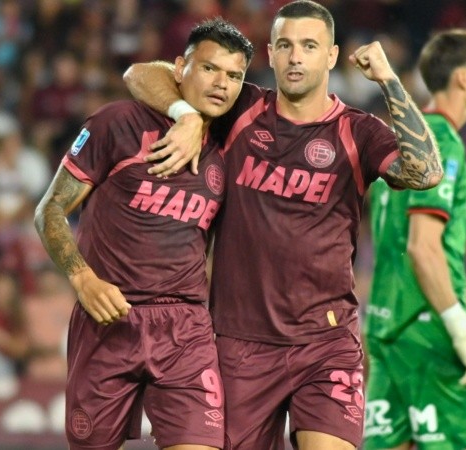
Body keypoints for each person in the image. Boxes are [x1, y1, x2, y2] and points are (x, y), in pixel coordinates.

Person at [123, 2, 443, 448]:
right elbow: (139, 74)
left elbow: (426, 172)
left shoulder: (358, 131)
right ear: (269, 54)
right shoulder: (240, 110)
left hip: (326, 341)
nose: (296, 57)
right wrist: (187, 113)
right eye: (286, 46)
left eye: (309, 46)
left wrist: (389, 80)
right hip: (238, 341)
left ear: (330, 56)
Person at [33, 18, 253, 450]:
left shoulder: (232, 146)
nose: (222, 84)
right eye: (209, 69)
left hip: (186, 327)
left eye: (234, 76)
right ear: (179, 68)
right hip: (108, 318)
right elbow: (49, 210)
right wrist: (82, 278)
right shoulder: (118, 123)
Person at [362, 29, 466, 450]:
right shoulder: (442, 143)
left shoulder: (399, 142)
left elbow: (397, 248)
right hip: (429, 336)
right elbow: (422, 247)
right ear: (463, 78)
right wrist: (460, 327)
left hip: (386, 328)